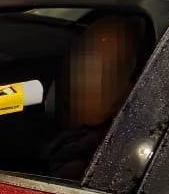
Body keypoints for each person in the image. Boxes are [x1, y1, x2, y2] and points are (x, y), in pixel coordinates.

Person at [42, 14, 144, 182]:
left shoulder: (106, 158)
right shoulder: (73, 144)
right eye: (79, 63)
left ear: (130, 87)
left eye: (99, 70)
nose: (78, 80)